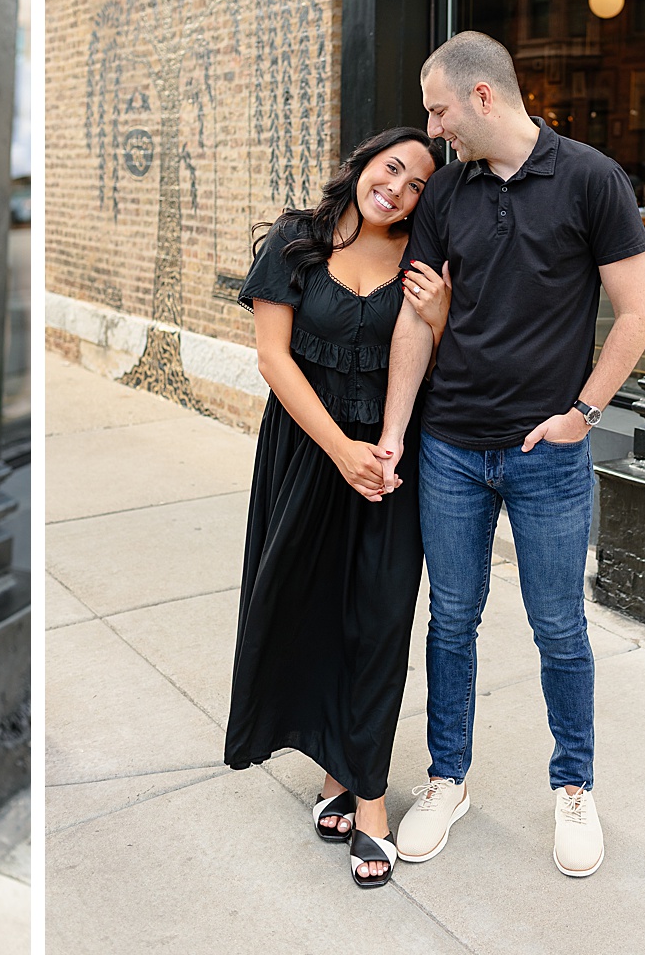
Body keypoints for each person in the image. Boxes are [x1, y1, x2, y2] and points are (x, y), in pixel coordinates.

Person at [377, 31, 645, 879]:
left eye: (438, 109)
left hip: (548, 454)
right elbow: (415, 321)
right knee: (451, 622)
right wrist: (393, 433)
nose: (432, 128)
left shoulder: (591, 179)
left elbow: (636, 314)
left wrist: (584, 413)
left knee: (560, 628)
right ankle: (446, 779)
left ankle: (573, 786)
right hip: (452, 447)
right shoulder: (447, 194)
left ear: (482, 97)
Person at [224, 126, 449, 889]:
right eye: (393, 169)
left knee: (381, 619)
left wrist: (442, 314)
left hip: (391, 461)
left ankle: (372, 798)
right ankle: (336, 771)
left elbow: (430, 354)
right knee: (315, 610)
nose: (400, 189)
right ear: (364, 165)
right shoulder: (296, 241)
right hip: (306, 455)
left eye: (419, 183)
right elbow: (272, 359)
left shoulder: (423, 257)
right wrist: (338, 450)